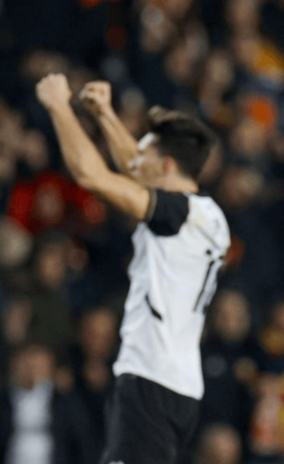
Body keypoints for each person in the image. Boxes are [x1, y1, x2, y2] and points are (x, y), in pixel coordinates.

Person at [35, 75, 231, 464]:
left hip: (151, 381)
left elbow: (93, 175)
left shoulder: (178, 214)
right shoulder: (207, 216)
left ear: (167, 165)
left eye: (145, 154)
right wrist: (106, 114)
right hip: (178, 385)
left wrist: (58, 105)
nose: (134, 161)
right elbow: (138, 168)